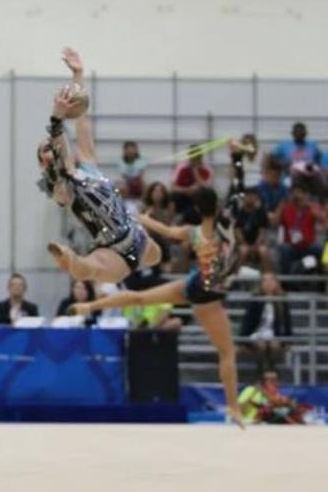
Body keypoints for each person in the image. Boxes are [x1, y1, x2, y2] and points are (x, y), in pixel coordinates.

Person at [71, 152, 249, 427]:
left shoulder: (191, 232)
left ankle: (90, 306)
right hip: (208, 297)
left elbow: (164, 230)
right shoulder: (227, 225)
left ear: (199, 210)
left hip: (193, 284)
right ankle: (234, 408)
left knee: (140, 297)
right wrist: (237, 157)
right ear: (218, 206)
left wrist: (139, 217)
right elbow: (238, 189)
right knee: (227, 353)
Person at [39, 47, 162, 284]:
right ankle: (70, 259)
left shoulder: (87, 165)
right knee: (90, 268)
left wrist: (78, 76)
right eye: (44, 150)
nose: (51, 149)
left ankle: (76, 261)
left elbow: (82, 121)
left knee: (159, 256)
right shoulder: (64, 189)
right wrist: (56, 120)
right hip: (112, 253)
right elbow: (61, 158)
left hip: (136, 235)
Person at [240, 271, 292, 377]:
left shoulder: (281, 301)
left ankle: (271, 370)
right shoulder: (255, 300)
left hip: (274, 333)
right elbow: (248, 321)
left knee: (274, 344)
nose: (268, 283)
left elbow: (287, 322)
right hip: (257, 332)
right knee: (262, 344)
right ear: (261, 284)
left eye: (271, 280)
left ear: (276, 283)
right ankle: (262, 373)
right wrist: (243, 340)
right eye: (265, 280)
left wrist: (288, 340)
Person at [238, 369, 309, 425]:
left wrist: (288, 403)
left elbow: (287, 405)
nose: (274, 382)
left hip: (269, 422)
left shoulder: (277, 394)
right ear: (263, 382)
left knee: (290, 411)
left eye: (275, 379)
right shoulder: (251, 390)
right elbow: (239, 408)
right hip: (251, 421)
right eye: (270, 380)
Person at [277, 185, 320, 274]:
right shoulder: (287, 208)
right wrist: (280, 206)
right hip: (292, 246)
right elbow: (274, 223)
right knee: (284, 249)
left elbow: (322, 218)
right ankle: (286, 282)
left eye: (299, 193)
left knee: (320, 249)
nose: (297, 196)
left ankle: (320, 282)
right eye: (294, 193)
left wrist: (308, 205)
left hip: (308, 246)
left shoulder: (312, 206)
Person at [169, 148, 215, 221]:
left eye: (197, 158)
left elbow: (207, 188)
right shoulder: (181, 167)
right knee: (172, 196)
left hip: (198, 198)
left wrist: (195, 172)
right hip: (184, 195)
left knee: (206, 198)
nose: (194, 160)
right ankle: (171, 220)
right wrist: (187, 190)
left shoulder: (207, 169)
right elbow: (173, 187)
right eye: (192, 158)